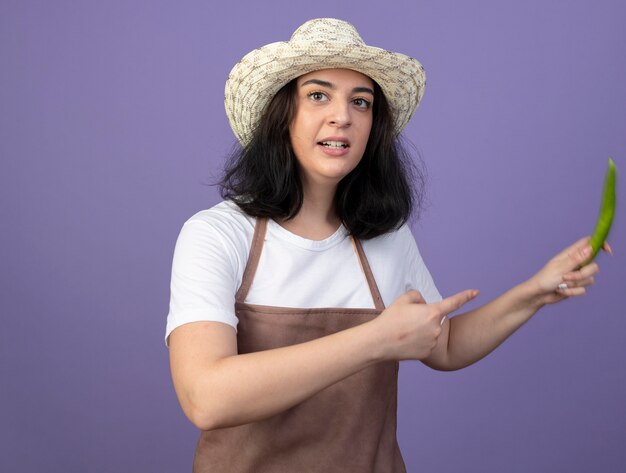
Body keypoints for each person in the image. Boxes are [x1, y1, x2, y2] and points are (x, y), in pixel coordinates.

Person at [166, 18, 605, 473]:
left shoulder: (385, 236)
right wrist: (375, 339)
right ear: (282, 115)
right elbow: (206, 398)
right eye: (318, 95)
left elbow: (446, 345)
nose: (343, 115)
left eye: (361, 102)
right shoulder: (217, 234)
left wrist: (535, 291)